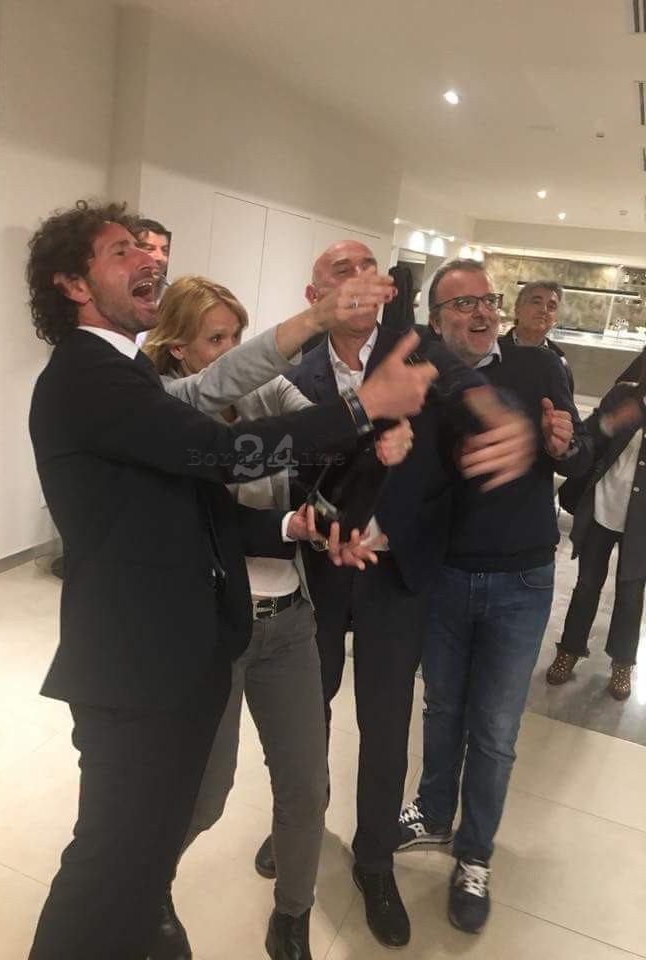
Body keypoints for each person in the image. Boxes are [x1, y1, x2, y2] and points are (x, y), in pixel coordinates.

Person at [25, 200, 438, 960]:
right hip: (135, 662)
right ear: (74, 284)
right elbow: (224, 454)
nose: (150, 258)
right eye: (123, 251)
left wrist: (294, 527)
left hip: (171, 652)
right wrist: (363, 405)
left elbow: (201, 498)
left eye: (151, 248)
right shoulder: (91, 376)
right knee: (108, 862)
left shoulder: (122, 372)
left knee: (139, 853)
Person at [254, 241, 535, 949]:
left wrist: (505, 419)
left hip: (396, 572)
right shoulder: (297, 370)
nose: (357, 281)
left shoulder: (420, 353)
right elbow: (291, 466)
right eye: (339, 272)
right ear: (314, 293)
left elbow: (470, 392)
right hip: (319, 573)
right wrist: (317, 522)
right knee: (304, 715)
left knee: (385, 728)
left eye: (366, 269)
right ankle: (299, 823)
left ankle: (374, 860)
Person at [143, 275, 412, 960]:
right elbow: (210, 526)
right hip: (216, 629)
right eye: (217, 339)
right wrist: (292, 524)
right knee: (206, 795)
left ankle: (292, 915)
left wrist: (379, 443)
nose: (235, 352)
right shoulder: (167, 413)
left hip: (290, 620)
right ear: (178, 350)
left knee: (305, 788)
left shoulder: (264, 392)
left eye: (238, 335)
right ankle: (144, 885)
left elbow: (328, 435)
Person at [397, 259, 592, 936]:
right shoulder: (420, 374)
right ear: (435, 318)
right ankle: (432, 812)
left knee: (496, 729)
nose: (482, 312)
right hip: (445, 574)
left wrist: (567, 445)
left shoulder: (540, 367)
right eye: (463, 304)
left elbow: (578, 449)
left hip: (521, 580)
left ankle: (474, 854)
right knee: (441, 706)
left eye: (488, 300)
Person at [547, 364, 646, 699]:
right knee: (587, 585)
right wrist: (610, 422)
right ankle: (569, 650)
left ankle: (622, 663)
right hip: (603, 508)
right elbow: (588, 437)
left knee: (631, 593)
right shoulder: (623, 395)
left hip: (640, 524)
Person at [502, 280, 574, 393]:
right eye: (536, 302)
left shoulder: (561, 364)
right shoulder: (492, 353)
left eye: (551, 306)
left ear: (555, 320)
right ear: (517, 310)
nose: (544, 310)